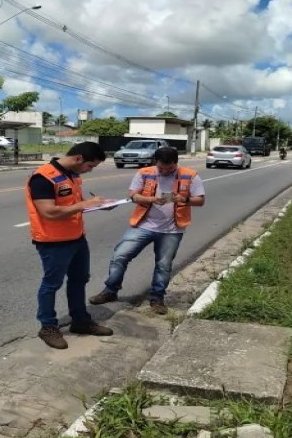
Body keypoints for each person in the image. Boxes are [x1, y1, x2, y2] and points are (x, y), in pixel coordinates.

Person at [89, 146, 205, 314]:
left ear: (176, 163)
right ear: (155, 162)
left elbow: (200, 201)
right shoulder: (144, 173)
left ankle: (157, 298)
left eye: (169, 168)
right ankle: (110, 291)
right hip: (143, 225)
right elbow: (133, 195)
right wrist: (150, 199)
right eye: (161, 168)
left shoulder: (190, 175)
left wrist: (184, 199)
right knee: (120, 255)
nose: (165, 171)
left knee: (163, 265)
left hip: (172, 230)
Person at [26, 141, 114, 349]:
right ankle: (47, 326)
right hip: (53, 242)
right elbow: (48, 211)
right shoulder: (43, 177)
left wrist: (99, 205)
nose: (90, 170)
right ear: (78, 158)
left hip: (76, 238)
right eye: (90, 166)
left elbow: (74, 206)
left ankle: (80, 321)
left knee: (79, 280)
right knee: (51, 284)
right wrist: (85, 204)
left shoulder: (73, 175)